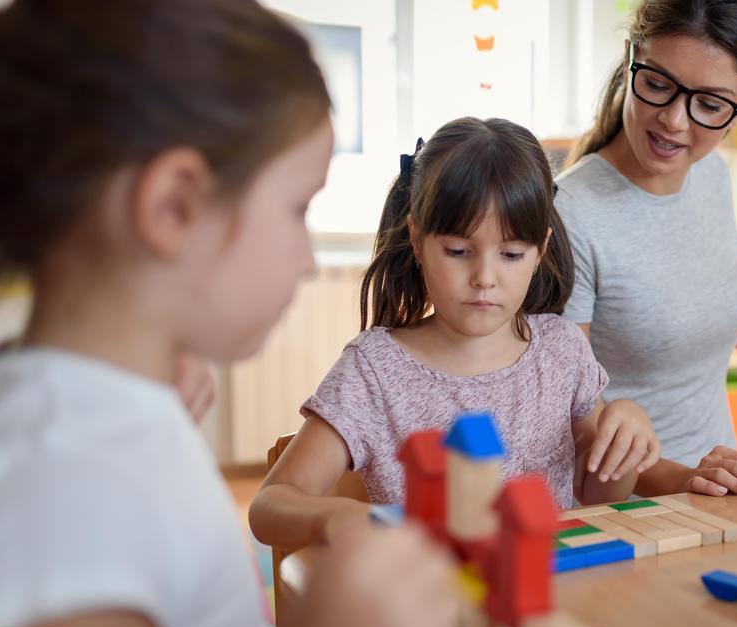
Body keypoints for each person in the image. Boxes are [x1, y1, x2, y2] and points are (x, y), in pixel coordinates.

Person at [0, 1, 456, 627]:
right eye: (298, 207)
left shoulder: (88, 420)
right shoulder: (78, 484)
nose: (306, 258)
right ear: (175, 206)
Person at [250, 117, 661, 553]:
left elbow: (600, 497)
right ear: (417, 237)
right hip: (430, 608)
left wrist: (626, 440)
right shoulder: (374, 371)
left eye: (511, 254)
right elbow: (270, 506)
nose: (485, 277)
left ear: (540, 250)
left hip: (544, 601)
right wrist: (343, 518)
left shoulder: (562, 350)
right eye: (459, 252)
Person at [557, 0, 737, 498]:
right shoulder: (572, 211)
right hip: (629, 504)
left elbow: (705, 301)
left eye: (709, 104)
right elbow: (570, 409)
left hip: (719, 488)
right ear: (630, 58)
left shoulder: (710, 172)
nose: (675, 122)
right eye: (657, 84)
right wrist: (684, 479)